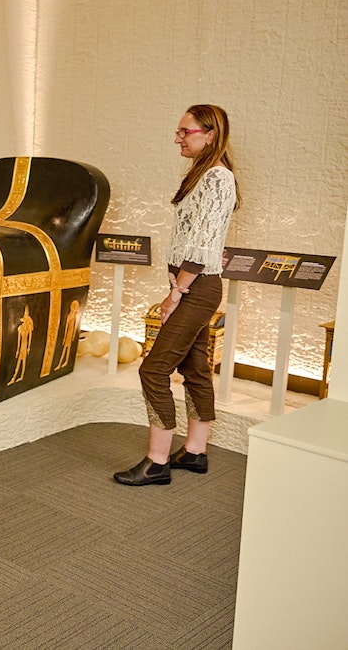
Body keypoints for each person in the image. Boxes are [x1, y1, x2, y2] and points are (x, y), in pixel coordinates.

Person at [115, 104, 240, 486]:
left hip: (196, 287)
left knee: (153, 369)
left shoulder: (218, 178)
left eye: (185, 131)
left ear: (211, 134)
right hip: (191, 285)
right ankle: (195, 453)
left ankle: (156, 462)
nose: (177, 138)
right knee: (195, 368)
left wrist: (177, 293)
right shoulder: (204, 175)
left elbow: (201, 246)